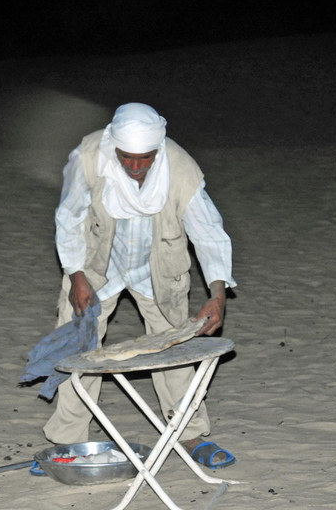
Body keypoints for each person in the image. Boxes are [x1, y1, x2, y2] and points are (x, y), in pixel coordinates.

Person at [45, 102, 237, 469]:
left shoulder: (180, 169)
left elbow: (209, 233)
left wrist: (217, 295)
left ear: (158, 149)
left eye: (145, 158)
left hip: (159, 268)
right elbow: (68, 217)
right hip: (97, 264)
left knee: (176, 347)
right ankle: (67, 442)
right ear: (113, 146)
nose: (135, 168)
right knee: (76, 345)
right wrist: (77, 275)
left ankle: (189, 434)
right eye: (126, 157)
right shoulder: (88, 157)